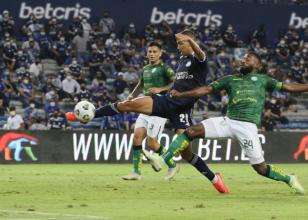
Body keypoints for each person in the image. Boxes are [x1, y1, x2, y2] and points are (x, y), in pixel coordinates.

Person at [66, 30, 229, 193]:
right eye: (178, 44)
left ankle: (215, 179)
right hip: (166, 101)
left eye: (181, 44)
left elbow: (200, 53)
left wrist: (190, 41)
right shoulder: (181, 59)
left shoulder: (199, 60)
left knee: (187, 154)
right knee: (127, 104)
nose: (178, 47)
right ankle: (90, 115)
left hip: (182, 110)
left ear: (190, 42)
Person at [161, 51, 308, 194]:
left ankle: (289, 179)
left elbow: (289, 87)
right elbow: (206, 89)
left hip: (247, 127)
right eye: (243, 59)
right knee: (190, 131)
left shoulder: (263, 80)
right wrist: (182, 94)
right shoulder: (230, 79)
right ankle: (167, 157)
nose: (243, 61)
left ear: (257, 65)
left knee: (261, 169)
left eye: (248, 59)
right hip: (228, 122)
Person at [121, 41, 179, 181]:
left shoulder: (165, 68)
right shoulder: (145, 69)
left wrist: (161, 89)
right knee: (137, 138)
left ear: (160, 53)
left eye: (154, 51)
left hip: (160, 108)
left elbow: (175, 82)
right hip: (145, 107)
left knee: (152, 143)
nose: (152, 54)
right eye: (150, 51)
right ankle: (137, 173)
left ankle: (173, 165)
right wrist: (132, 96)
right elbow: (140, 85)